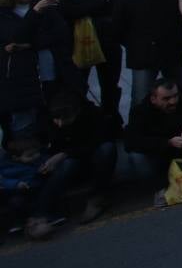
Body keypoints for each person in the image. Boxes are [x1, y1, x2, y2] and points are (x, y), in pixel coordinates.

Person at [45, 0, 123, 119]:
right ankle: (83, 123)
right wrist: (101, 0)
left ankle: (111, 121)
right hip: (76, 39)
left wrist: (86, 7)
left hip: (106, 35)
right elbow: (68, 11)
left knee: (110, 83)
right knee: (78, 84)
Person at [37, 94, 120, 229]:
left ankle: (97, 198)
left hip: (93, 160)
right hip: (72, 163)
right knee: (66, 165)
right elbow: (50, 145)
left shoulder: (93, 115)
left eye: (65, 119)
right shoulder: (50, 121)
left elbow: (100, 139)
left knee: (107, 149)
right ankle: (42, 212)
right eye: (56, 119)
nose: (60, 123)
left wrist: (65, 153)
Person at [0, 0, 66, 141]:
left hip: (49, 71)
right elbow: (17, 37)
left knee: (50, 114)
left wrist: (31, 45)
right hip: (20, 77)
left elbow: (60, 33)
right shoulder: (4, 14)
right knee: (24, 122)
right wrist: (35, 13)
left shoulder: (47, 8)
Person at [116, 0, 182, 106]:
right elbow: (119, 29)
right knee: (141, 98)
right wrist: (136, 45)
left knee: (178, 95)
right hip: (143, 56)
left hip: (171, 53)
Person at [123, 79, 182, 190]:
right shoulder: (140, 112)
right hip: (159, 157)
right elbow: (132, 142)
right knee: (136, 158)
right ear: (153, 99)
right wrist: (167, 142)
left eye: (175, 96)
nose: (173, 101)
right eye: (166, 99)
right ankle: (159, 188)